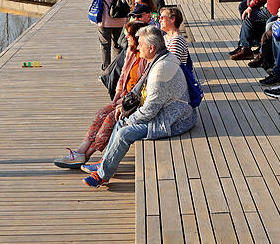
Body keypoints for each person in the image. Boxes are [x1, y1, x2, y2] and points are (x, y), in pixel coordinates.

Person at [82, 26, 196, 187]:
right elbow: (138, 90)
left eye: (141, 43)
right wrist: (125, 108)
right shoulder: (159, 58)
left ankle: (103, 175)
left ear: (151, 48)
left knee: (124, 132)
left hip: (175, 120)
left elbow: (150, 111)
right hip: (166, 112)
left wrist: (129, 117)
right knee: (120, 120)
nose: (137, 46)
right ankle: (104, 163)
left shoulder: (161, 70)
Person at [54, 21, 148, 169]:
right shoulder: (130, 51)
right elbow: (123, 75)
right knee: (101, 114)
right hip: (124, 98)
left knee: (110, 118)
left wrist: (124, 99)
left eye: (129, 37)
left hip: (134, 103)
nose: (127, 40)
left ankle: (86, 154)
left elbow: (141, 84)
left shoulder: (144, 57)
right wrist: (118, 93)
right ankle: (80, 151)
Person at [80, 0, 128, 71]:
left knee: (105, 46)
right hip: (120, 19)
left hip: (105, 20)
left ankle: (106, 69)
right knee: (117, 46)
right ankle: (117, 70)